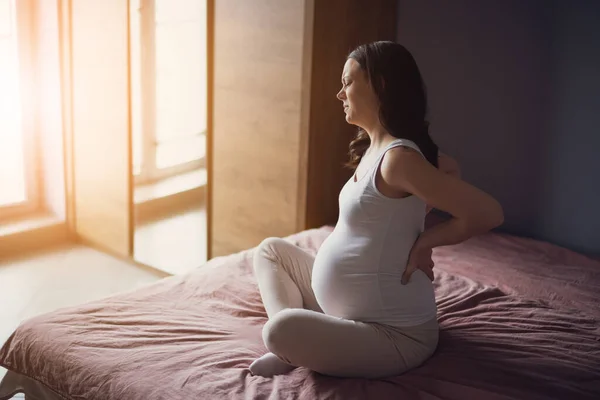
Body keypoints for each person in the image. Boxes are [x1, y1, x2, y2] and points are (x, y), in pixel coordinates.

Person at [249, 41, 503, 379]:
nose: (340, 94)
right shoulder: (378, 149)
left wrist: (425, 241)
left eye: (348, 82)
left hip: (395, 335)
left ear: (380, 85)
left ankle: (290, 345)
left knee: (279, 330)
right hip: (347, 311)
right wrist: (416, 214)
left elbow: (488, 213)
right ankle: (293, 350)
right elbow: (450, 169)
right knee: (270, 251)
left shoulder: (399, 159)